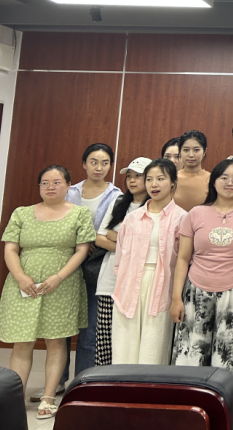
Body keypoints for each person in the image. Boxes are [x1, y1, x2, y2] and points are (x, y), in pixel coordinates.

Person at [0, 165, 95, 420]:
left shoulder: (80, 214)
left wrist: (58, 277)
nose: (50, 187)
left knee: (56, 340)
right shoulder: (21, 213)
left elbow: (82, 250)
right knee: (22, 341)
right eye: (45, 183)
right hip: (23, 284)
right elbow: (10, 248)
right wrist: (20, 277)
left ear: (68, 185)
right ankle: (15, 397)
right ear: (39, 186)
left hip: (62, 284)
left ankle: (49, 397)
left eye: (57, 182)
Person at [171, 160, 233, 382]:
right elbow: (183, 258)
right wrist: (176, 298)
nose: (230, 182)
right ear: (213, 182)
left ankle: (223, 400)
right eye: (224, 177)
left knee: (228, 355)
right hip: (195, 292)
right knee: (192, 353)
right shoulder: (195, 213)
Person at [112, 159, 188, 364]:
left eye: (160, 179)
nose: (154, 184)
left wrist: (177, 296)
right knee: (124, 347)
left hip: (162, 286)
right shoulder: (132, 218)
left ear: (173, 183)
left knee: (153, 349)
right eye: (149, 179)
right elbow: (120, 257)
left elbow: (184, 259)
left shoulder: (182, 218)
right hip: (129, 285)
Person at [62, 143, 123, 389]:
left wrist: (91, 242)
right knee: (62, 324)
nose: (99, 167)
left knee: (89, 326)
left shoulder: (117, 195)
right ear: (84, 164)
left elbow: (112, 231)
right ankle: (58, 379)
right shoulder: (69, 192)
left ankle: (81, 382)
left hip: (96, 263)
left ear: (111, 166)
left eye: (105, 163)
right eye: (94, 162)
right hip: (66, 261)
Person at [94, 157, 150, 366]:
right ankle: (103, 379)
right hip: (110, 279)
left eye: (138, 176)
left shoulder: (153, 207)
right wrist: (130, 245)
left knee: (127, 338)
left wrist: (116, 237)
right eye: (129, 177)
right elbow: (100, 238)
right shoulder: (118, 203)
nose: (132, 181)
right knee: (105, 339)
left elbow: (148, 246)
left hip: (136, 281)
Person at [175, 130, 211, 212]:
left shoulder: (212, 179)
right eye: (186, 150)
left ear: (204, 152)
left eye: (196, 150)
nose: (191, 155)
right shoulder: (172, 178)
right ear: (180, 151)